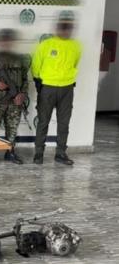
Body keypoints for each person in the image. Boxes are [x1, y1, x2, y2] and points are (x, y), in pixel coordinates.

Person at [31, 12, 82, 165]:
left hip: (67, 88)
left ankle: (61, 153)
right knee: (43, 122)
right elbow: (36, 64)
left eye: (68, 28)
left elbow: (75, 63)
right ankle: (38, 153)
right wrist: (38, 82)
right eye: (63, 28)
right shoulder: (46, 44)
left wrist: (68, 80)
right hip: (48, 88)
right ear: (57, 29)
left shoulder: (76, 46)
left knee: (64, 123)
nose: (65, 31)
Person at [0, 29, 29, 165]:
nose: (6, 43)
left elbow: (25, 79)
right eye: (3, 40)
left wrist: (22, 94)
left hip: (15, 99)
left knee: (12, 128)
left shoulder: (19, 58)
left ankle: (10, 152)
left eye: (9, 40)